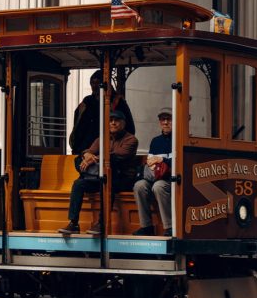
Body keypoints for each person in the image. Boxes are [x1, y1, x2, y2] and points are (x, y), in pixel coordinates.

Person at [58, 110, 138, 235]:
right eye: (110, 121)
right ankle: (73, 223)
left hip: (122, 178)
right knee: (78, 184)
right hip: (100, 177)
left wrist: (95, 158)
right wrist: (87, 155)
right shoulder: (102, 138)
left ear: (123, 123)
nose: (113, 123)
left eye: (116, 121)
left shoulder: (131, 139)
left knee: (108, 183)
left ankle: (101, 224)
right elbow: (88, 151)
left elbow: (119, 156)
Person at [68, 70, 136, 154]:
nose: (95, 86)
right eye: (92, 83)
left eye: (98, 82)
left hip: (107, 147)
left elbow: (128, 126)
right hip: (85, 147)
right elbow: (78, 124)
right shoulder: (87, 101)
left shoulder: (116, 101)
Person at [133, 108, 173, 237]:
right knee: (139, 186)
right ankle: (147, 227)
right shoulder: (155, 141)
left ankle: (170, 227)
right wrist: (153, 163)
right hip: (155, 175)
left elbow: (179, 162)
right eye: (163, 119)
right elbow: (150, 161)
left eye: (169, 119)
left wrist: (162, 159)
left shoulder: (179, 138)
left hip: (171, 178)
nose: (166, 122)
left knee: (159, 186)